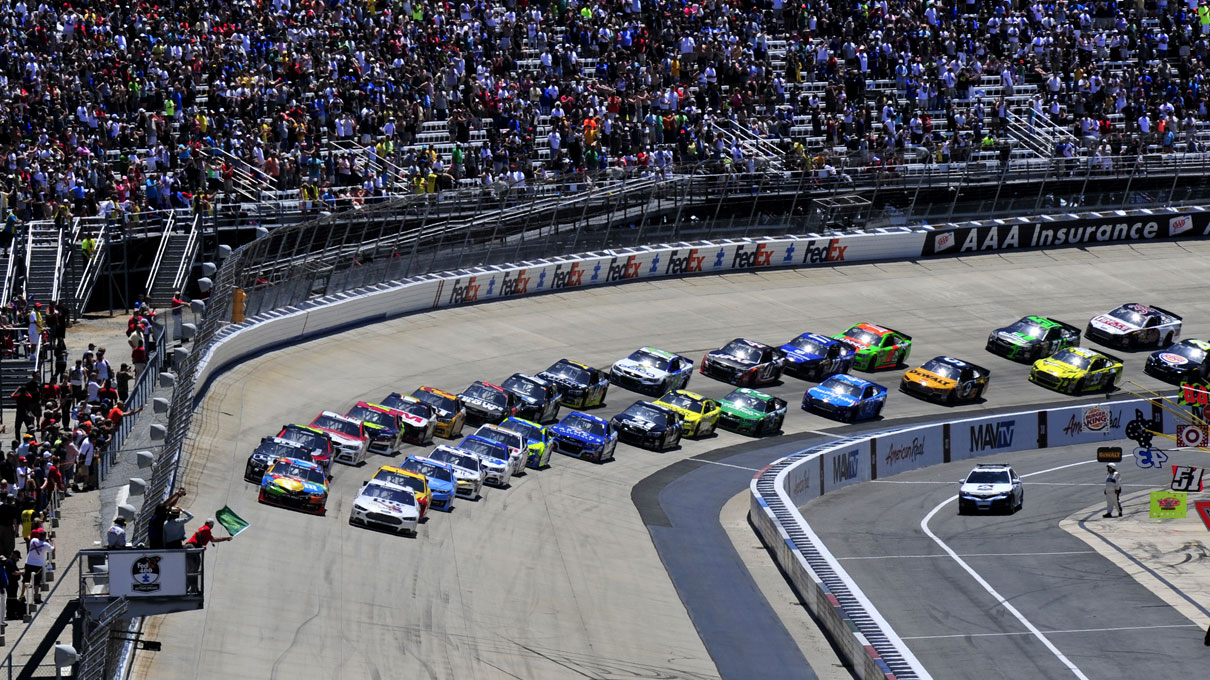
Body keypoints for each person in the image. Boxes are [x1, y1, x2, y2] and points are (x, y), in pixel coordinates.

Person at [21, 533, 51, 605]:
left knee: (26, 580)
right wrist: (52, 541)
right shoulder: (45, 544)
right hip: (38, 565)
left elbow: (29, 537)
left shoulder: (33, 541)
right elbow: (52, 550)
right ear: (44, 537)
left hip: (29, 563)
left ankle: (22, 595)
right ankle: (36, 597)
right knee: (36, 582)